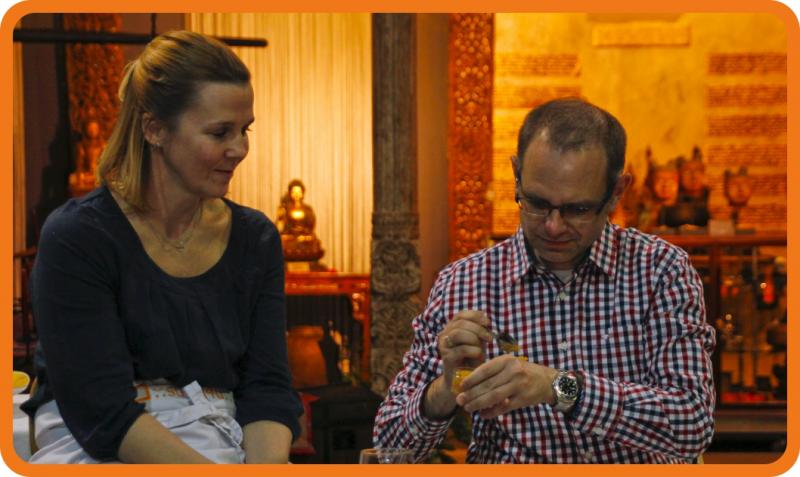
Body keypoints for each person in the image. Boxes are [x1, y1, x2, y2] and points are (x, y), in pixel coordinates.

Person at [373, 98, 716, 463]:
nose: (553, 226)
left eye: (577, 209)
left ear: (617, 191)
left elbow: (691, 424)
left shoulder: (659, 270)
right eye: (536, 203)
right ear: (516, 174)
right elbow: (388, 447)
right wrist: (444, 390)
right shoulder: (464, 282)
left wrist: (559, 388)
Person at [23, 30, 302, 464]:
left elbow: (267, 389)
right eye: (220, 132)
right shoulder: (78, 237)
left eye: (244, 130)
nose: (240, 149)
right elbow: (104, 411)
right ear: (154, 129)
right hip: (98, 446)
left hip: (222, 436)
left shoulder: (256, 238)